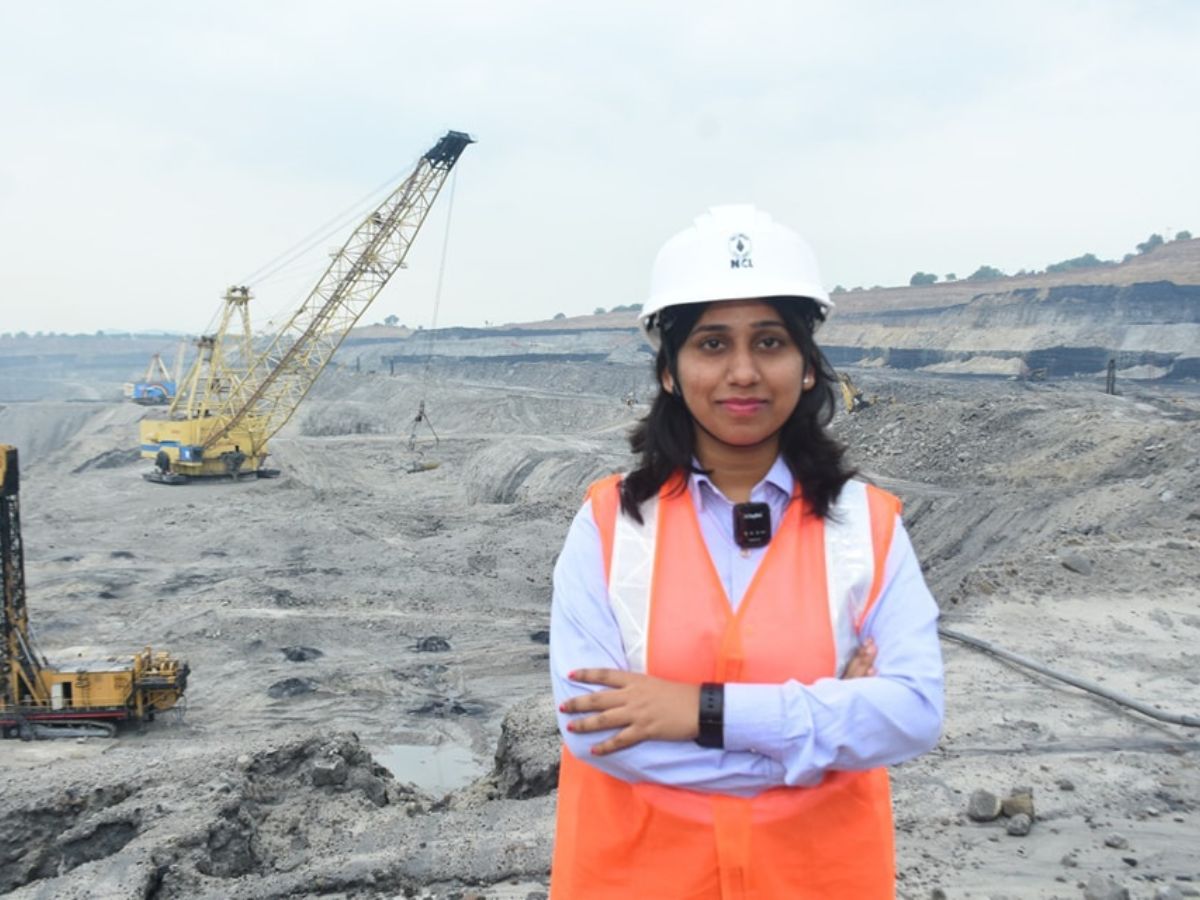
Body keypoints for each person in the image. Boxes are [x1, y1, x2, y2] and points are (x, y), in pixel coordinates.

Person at [548, 205, 944, 899]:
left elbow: (911, 713)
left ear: (807, 365)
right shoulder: (608, 525)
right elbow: (593, 733)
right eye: (710, 345)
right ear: (669, 370)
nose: (742, 372)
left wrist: (697, 713)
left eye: (769, 342)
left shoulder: (866, 526)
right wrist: (821, 739)